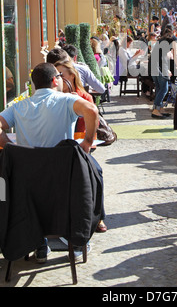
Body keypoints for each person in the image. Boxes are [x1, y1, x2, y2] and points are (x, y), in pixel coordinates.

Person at [0, 62, 101, 261]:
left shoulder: (19, 106)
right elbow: (91, 110)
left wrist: (7, 144)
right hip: (63, 184)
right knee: (94, 174)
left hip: (26, 188)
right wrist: (88, 141)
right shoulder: (66, 101)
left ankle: (39, 242)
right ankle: (77, 235)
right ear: (55, 80)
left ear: (34, 84)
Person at [55, 60, 107, 233]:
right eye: (56, 75)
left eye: (61, 75)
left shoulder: (82, 97)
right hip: (58, 150)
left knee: (96, 173)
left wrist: (87, 141)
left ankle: (98, 217)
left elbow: (92, 119)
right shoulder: (53, 98)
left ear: (71, 76)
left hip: (78, 147)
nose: (58, 79)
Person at [150, 24, 177, 118]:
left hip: (153, 63)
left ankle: (159, 108)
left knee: (159, 88)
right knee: (164, 89)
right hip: (160, 65)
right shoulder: (173, 39)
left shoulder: (160, 39)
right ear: (173, 31)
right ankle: (156, 110)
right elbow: (175, 55)